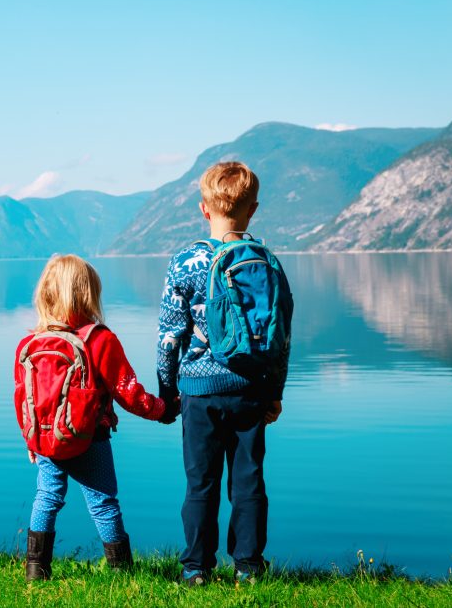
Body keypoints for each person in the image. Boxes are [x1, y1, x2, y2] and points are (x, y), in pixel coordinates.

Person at [156, 161, 291, 587]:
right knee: (249, 482)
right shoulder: (265, 263)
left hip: (199, 390)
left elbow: (168, 338)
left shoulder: (185, 262)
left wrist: (167, 392)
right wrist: (275, 391)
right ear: (253, 210)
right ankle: (248, 567)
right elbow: (281, 336)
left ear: (203, 209)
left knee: (201, 483)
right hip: (251, 388)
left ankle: (196, 569)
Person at [17, 254, 173, 581]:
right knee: (103, 503)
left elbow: (23, 398)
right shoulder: (98, 339)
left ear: (45, 294)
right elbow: (128, 392)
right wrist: (162, 410)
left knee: (46, 498)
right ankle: (120, 573)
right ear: (88, 294)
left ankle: (35, 570)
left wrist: (29, 439)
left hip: (45, 440)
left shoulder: (29, 344)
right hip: (90, 439)